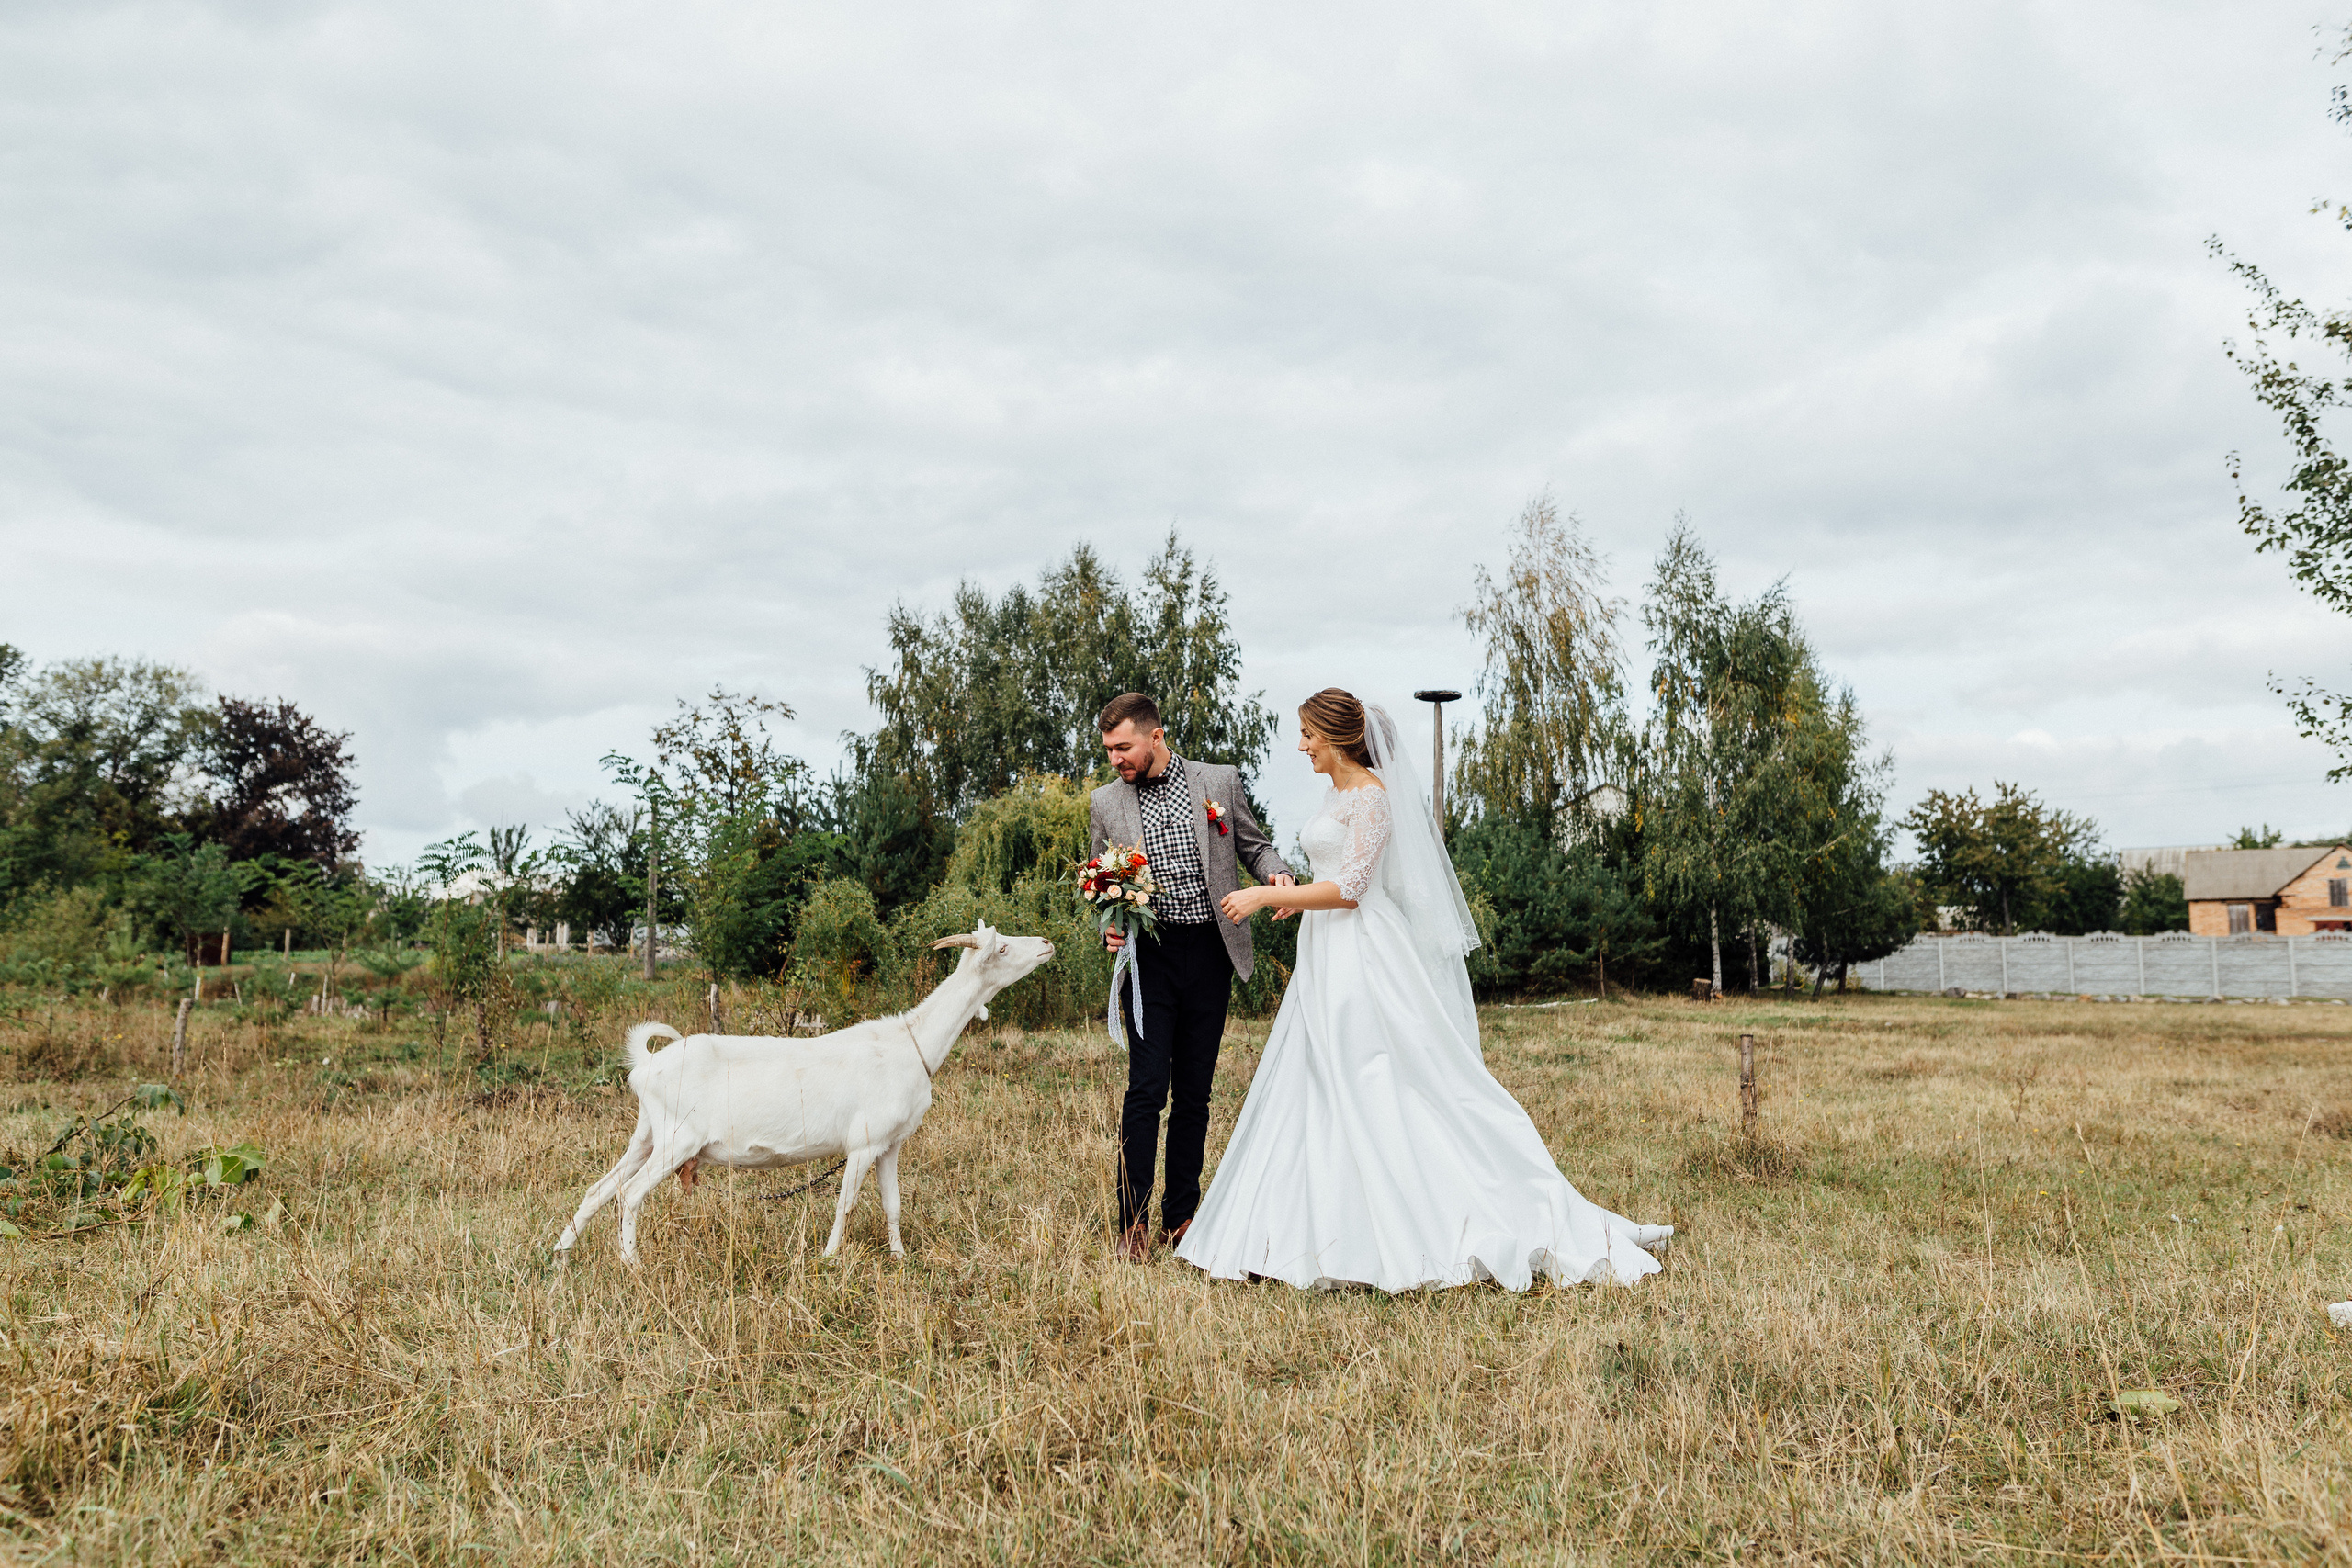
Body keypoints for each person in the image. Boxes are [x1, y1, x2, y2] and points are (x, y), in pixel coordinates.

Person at [1175, 687, 1673, 1291]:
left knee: (1372, 1072)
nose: (1301, 745)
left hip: (1363, 948)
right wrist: (1296, 898)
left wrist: (1268, 894)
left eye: (1308, 734)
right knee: (1318, 1076)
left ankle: (1427, 1215)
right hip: (1326, 948)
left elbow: (1353, 886)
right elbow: (1330, 876)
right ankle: (1310, 1228)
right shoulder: (1335, 793)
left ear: (1334, 736)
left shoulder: (1373, 796)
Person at [1089, 692, 1295, 1262]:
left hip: (1210, 950)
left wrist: (1278, 877)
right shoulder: (1106, 802)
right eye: (1108, 750)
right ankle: (1133, 1221)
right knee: (1147, 1088)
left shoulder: (1219, 781)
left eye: (1123, 747)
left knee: (1195, 1095)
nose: (1115, 760)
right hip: (1149, 958)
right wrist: (1107, 927)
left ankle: (1181, 1216)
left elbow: (1255, 846)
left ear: (1156, 736)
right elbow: (1100, 885)